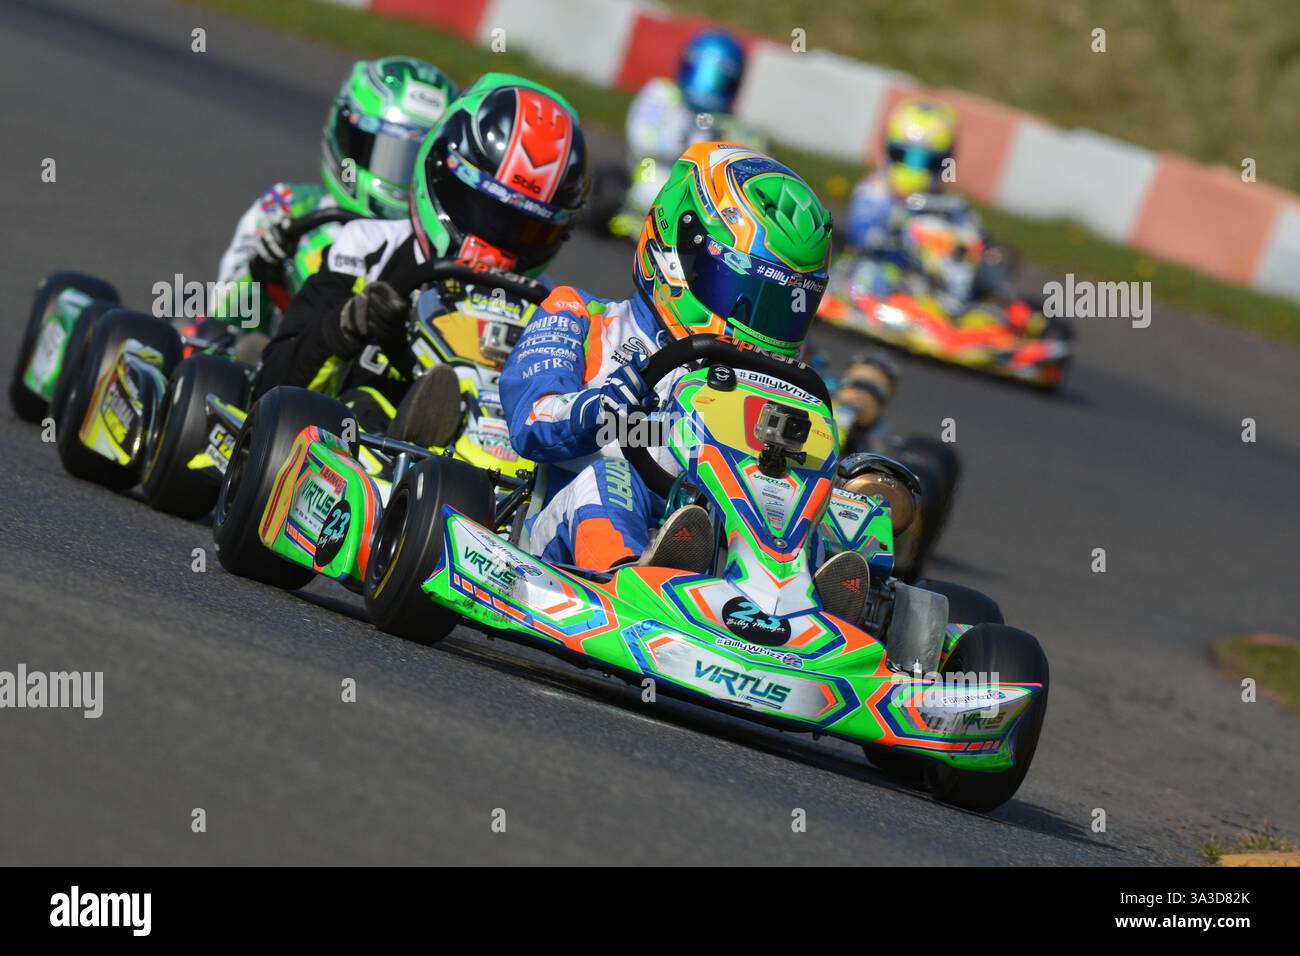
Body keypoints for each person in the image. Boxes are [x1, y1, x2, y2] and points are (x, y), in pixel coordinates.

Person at [499, 142, 834, 573]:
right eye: (744, 295)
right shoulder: (584, 317)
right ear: (677, 252)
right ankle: (627, 576)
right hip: (560, 533)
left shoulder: (775, 385)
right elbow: (531, 419)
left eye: (781, 308)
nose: (761, 327)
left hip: (726, 543)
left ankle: (826, 601)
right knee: (612, 480)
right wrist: (600, 408)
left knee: (836, 516)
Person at [251, 73, 589, 433]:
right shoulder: (368, 247)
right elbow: (271, 388)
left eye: (526, 230)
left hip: (500, 469)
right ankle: (413, 431)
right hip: (363, 452)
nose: (497, 246)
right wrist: (346, 326)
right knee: (362, 405)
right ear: (442, 174)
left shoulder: (554, 310)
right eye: (484, 215)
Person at [205, 56, 459, 335]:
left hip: (389, 371)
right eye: (390, 157)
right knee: (204, 337)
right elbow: (223, 318)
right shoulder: (288, 209)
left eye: (414, 163)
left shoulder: (444, 248)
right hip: (278, 362)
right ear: (346, 137)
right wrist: (262, 270)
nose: (400, 177)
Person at [615, 30, 765, 227]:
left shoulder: (730, 124)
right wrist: (686, 142)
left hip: (704, 197)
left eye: (721, 79)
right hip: (652, 174)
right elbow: (642, 140)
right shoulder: (662, 94)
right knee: (630, 189)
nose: (709, 83)